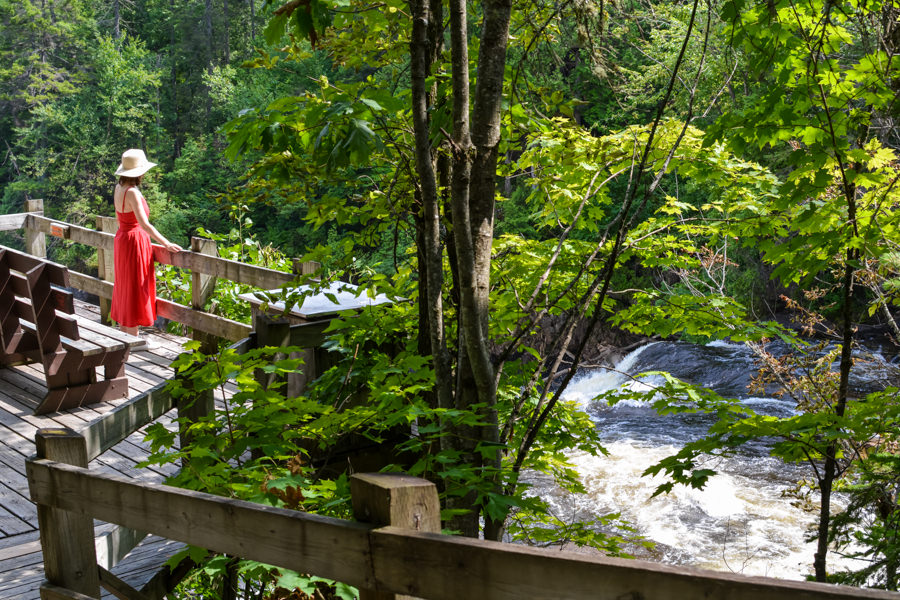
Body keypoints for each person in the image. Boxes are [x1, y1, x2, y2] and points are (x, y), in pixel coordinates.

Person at [110, 148, 182, 337]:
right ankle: (132, 339)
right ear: (139, 172)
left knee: (126, 285)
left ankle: (126, 335)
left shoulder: (119, 188)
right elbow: (145, 225)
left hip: (123, 239)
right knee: (135, 286)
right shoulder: (132, 192)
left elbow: (120, 220)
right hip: (134, 241)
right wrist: (166, 243)